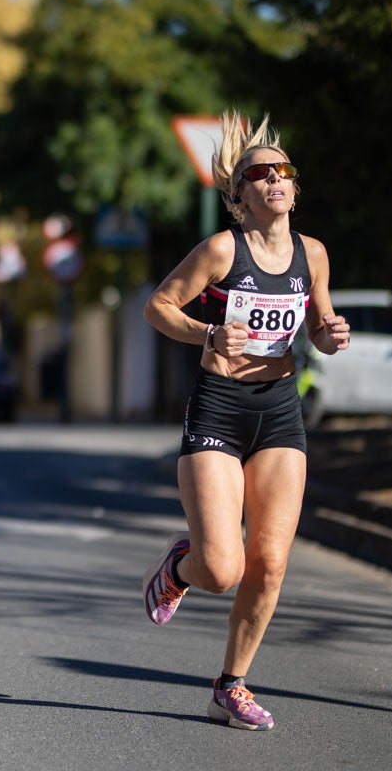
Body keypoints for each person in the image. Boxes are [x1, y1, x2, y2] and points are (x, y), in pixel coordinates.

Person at [141, 111, 350, 731]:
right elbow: (158, 306)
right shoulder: (221, 250)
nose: (276, 180)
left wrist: (330, 334)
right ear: (239, 195)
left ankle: (230, 685)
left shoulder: (313, 254)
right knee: (223, 569)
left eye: (284, 171)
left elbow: (317, 325)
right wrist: (208, 331)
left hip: (280, 410)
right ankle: (181, 567)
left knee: (272, 563)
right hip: (220, 408)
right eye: (261, 172)